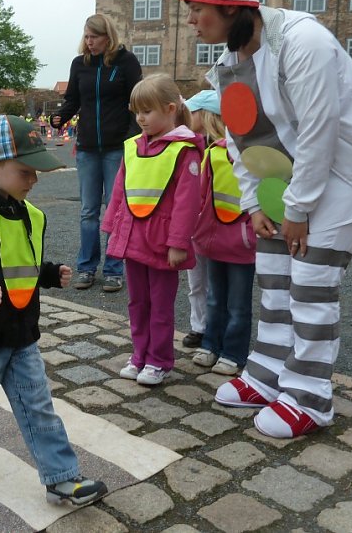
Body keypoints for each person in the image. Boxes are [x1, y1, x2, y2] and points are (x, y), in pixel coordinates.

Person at [180, 0, 352, 437]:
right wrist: (257, 205)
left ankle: (309, 395)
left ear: (231, 6)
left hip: (350, 176)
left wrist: (297, 211)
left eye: (197, 10)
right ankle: (271, 371)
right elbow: (243, 140)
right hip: (294, 176)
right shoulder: (232, 62)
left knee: (311, 279)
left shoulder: (304, 42)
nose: (191, 20)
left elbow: (320, 133)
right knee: (274, 273)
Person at [0, 114, 107, 506]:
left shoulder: (27, 212)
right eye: (26, 172)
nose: (34, 180)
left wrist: (46, 273)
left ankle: (62, 477)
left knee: (38, 406)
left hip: (20, 333)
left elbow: (16, 264)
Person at [101, 74, 203, 385]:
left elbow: (188, 203)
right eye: (136, 111)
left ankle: (160, 360)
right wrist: (112, 228)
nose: (141, 118)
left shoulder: (185, 151)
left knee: (160, 306)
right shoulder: (132, 147)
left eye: (147, 111)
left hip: (161, 242)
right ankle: (139, 354)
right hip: (133, 238)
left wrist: (178, 243)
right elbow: (120, 191)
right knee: (137, 302)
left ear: (171, 108)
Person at [51, 14, 142, 293]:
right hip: (88, 148)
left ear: (108, 37)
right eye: (87, 36)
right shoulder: (80, 64)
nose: (89, 42)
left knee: (113, 210)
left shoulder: (126, 62)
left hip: (117, 147)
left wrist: (132, 138)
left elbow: (136, 101)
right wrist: (60, 118)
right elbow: (73, 100)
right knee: (88, 211)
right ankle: (87, 268)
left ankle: (114, 270)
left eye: (95, 37)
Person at [189, 96, 256, 377]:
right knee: (215, 297)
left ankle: (233, 352)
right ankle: (210, 344)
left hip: (242, 243)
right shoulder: (214, 152)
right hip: (215, 240)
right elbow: (202, 195)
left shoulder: (256, 156)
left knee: (238, 303)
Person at [181, 90, 218, 349]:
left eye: (191, 112)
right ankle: (199, 325)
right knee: (196, 281)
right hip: (195, 226)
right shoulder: (189, 147)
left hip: (216, 225)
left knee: (215, 281)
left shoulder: (220, 149)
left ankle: (214, 326)